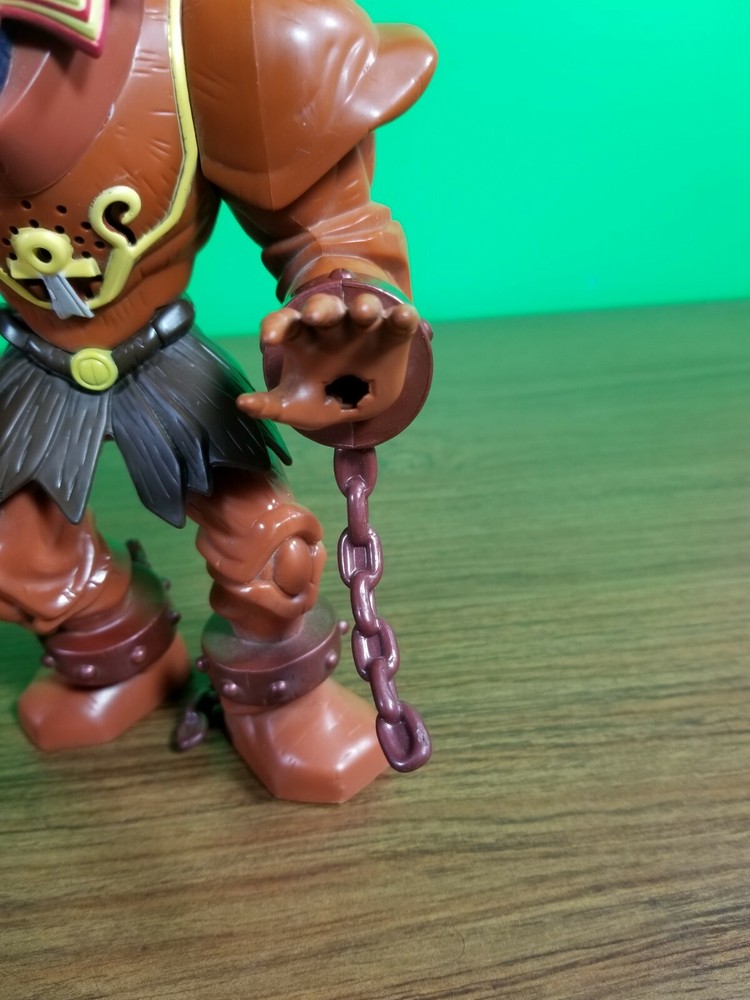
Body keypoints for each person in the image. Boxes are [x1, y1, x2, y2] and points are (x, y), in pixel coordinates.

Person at [0, 0, 436, 802]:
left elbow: (329, 227)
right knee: (16, 554)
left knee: (270, 555)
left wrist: (343, 305)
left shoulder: (209, 28)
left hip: (162, 359)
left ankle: (277, 699)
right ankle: (114, 649)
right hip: (34, 362)